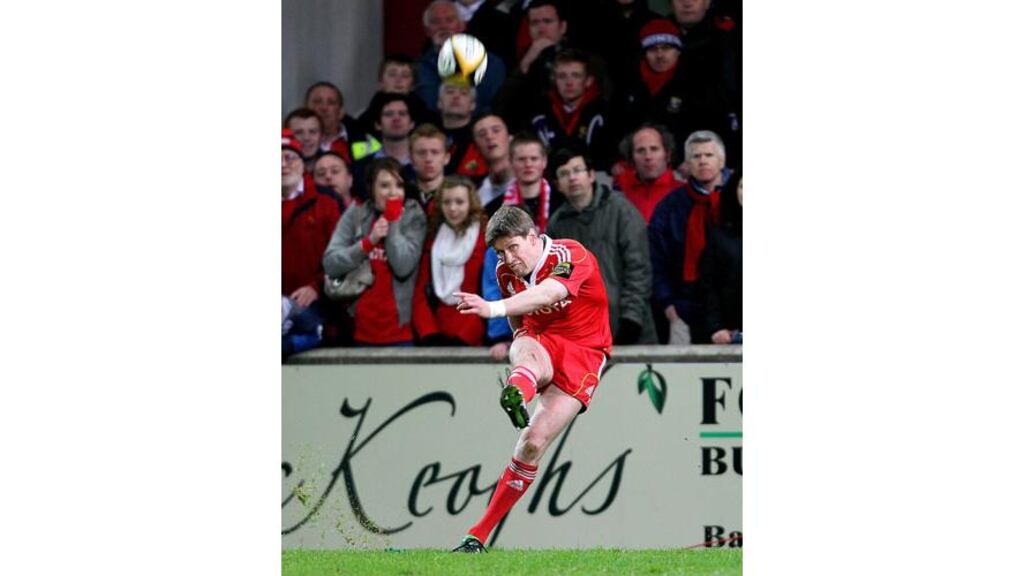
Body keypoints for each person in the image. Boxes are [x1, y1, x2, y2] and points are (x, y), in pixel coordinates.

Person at [450, 205, 612, 552]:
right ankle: (475, 538)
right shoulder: (505, 272)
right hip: (540, 341)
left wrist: (491, 307)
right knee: (527, 348)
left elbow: (549, 293)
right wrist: (520, 343)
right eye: (500, 252)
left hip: (585, 352)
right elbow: (519, 320)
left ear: (534, 238)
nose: (508, 258)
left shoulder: (571, 254)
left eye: (513, 248)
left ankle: (519, 385)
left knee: (532, 444)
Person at [547, 146, 656, 344]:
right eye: (564, 174)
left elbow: (639, 270)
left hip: (629, 327)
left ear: (591, 176)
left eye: (578, 170)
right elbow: (560, 278)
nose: (572, 178)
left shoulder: (622, 211)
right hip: (582, 334)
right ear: (557, 185)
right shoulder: (557, 225)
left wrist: (631, 319)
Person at [322, 157, 427, 346]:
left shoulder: (414, 215)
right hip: (358, 329)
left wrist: (393, 220)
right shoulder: (357, 212)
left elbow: (403, 266)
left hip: (401, 332)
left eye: (399, 185)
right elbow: (330, 263)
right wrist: (368, 243)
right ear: (372, 189)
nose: (393, 192)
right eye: (385, 186)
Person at [609, 18, 736, 170]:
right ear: (644, 54)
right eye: (653, 49)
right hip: (634, 169)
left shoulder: (698, 82)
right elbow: (612, 128)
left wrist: (692, 160)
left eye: (666, 48)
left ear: (678, 51)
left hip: (683, 169)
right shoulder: (628, 83)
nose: (660, 55)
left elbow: (712, 129)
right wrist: (613, 161)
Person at [648, 130, 731, 345]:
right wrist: (670, 309)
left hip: (734, 308)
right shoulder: (670, 208)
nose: (703, 161)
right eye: (696, 156)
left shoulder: (738, 200)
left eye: (709, 155)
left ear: (722, 161)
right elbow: (656, 261)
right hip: (685, 310)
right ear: (686, 165)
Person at [281, 129, 341, 357]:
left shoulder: (325, 202)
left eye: (289, 157)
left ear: (302, 163)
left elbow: (342, 255)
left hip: (317, 302)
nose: (283, 165)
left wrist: (316, 287)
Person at [412, 176, 488, 346]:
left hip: (473, 337)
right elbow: (420, 295)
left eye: (459, 202)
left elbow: (489, 295)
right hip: (437, 336)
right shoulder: (433, 241)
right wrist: (429, 334)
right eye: (447, 202)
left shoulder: (485, 240)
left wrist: (465, 337)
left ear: (471, 204)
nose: (453, 208)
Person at [415, 0, 507, 115]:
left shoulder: (491, 62)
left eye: (449, 20)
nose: (443, 26)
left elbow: (489, 104)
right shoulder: (421, 67)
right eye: (435, 22)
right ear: (427, 31)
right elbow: (431, 105)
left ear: (462, 26)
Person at [528, 48, 613, 170]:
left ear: (588, 80)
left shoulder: (604, 112)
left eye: (576, 76)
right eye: (562, 76)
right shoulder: (540, 113)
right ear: (554, 80)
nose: (569, 82)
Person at [484, 132, 558, 233]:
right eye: (521, 159)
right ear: (510, 162)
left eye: (534, 159)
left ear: (544, 161)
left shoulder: (562, 201)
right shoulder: (494, 210)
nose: (528, 164)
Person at [700, 171, 742, 344]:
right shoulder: (720, 236)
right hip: (730, 336)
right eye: (742, 186)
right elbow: (709, 286)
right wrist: (715, 327)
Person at [613, 123, 684, 223]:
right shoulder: (619, 195)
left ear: (667, 155)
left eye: (654, 149)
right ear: (631, 158)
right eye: (641, 150)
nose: (648, 156)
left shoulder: (684, 194)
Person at [438, 80, 489, 180]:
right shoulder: (429, 137)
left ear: (473, 105)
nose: (456, 96)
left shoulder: (482, 140)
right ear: (439, 102)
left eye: (463, 93)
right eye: (450, 92)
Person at [305, 81, 364, 165]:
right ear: (306, 108)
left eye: (331, 102)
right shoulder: (290, 142)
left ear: (341, 112)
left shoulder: (361, 139)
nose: (324, 108)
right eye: (317, 102)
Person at [471, 113, 515, 211]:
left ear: (510, 138)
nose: (489, 137)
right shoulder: (474, 196)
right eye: (482, 134)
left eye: (496, 130)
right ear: (475, 148)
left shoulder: (530, 184)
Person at [408, 123, 452, 214]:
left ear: (446, 158)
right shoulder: (402, 194)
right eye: (421, 153)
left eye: (435, 152)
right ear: (411, 159)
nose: (428, 159)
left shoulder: (459, 195)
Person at [283, 108, 323, 173]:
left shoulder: (333, 165)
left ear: (322, 136)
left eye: (312, 132)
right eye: (298, 132)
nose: (306, 138)